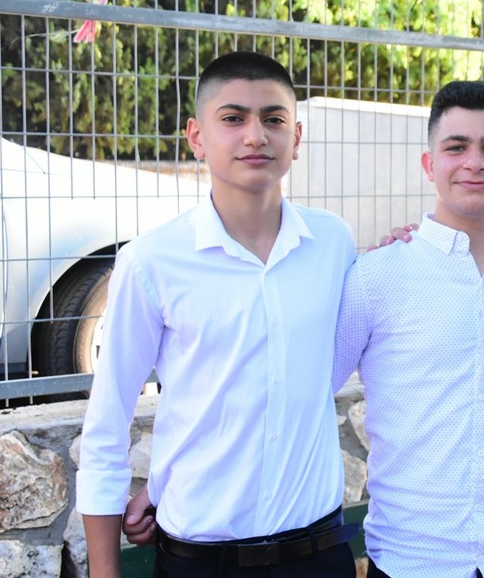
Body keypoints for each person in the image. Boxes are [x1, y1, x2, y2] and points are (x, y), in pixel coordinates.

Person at [76, 51, 358, 578]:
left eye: (273, 118)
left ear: (296, 138)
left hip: (319, 557)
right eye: (233, 118)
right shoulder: (152, 261)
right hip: (200, 564)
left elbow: (316, 372)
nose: (255, 135)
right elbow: (107, 425)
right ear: (197, 136)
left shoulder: (333, 242)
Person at [332, 80, 484, 578]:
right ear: (429, 164)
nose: (475, 162)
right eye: (456, 147)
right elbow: (313, 390)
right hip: (411, 560)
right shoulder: (376, 276)